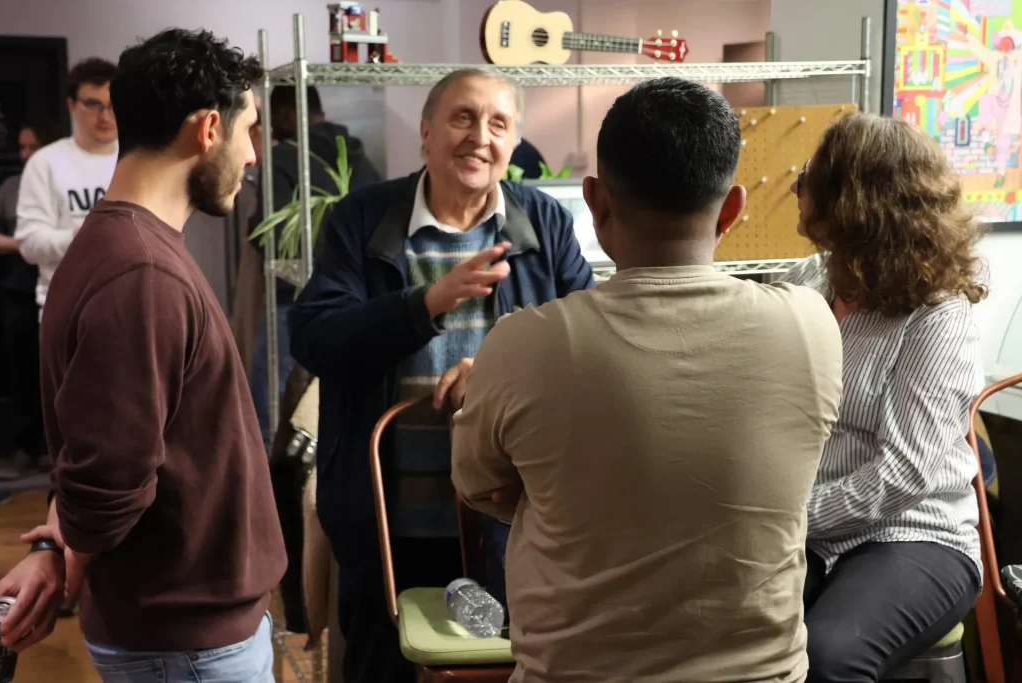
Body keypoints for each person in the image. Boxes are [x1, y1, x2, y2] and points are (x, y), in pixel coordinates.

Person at [451, 78, 844, 683]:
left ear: (596, 202)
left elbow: (481, 486)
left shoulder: (521, 345)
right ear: (733, 209)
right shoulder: (809, 325)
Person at [0, 28, 287, 682]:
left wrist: (54, 544)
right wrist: (64, 552)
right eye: (251, 131)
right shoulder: (140, 275)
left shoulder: (123, 246)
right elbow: (107, 480)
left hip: (183, 636)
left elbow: (97, 446)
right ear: (209, 129)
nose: (253, 156)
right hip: (189, 645)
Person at [288, 67, 594, 682]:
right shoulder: (363, 217)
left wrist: (499, 374)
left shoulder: (545, 226)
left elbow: (590, 351)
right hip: (385, 519)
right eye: (462, 118)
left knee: (499, 670)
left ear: (513, 145)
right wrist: (425, 304)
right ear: (426, 133)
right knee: (383, 666)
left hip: (511, 519)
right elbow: (316, 336)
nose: (480, 136)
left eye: (498, 123)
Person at [779, 113, 985, 680]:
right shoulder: (804, 283)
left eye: (808, 177)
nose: (796, 187)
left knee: (828, 656)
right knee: (724, 636)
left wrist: (790, 518)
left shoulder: (939, 315)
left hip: (917, 533)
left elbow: (903, 475)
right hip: (810, 536)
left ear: (853, 202)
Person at [247, 84, 381, 453]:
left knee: (266, 397)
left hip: (293, 298)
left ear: (289, 115)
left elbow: (267, 235)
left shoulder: (282, 158)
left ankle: (271, 487)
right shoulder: (357, 153)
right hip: (356, 296)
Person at [14, 58, 118, 318]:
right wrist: (79, 236)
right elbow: (28, 243)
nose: (104, 115)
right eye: (93, 104)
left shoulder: (139, 161)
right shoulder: (45, 163)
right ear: (72, 106)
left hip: (129, 305)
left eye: (112, 105)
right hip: (66, 310)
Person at [0, 120, 56, 475]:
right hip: (17, 289)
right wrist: (30, 241)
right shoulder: (9, 187)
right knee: (21, 369)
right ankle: (23, 446)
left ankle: (56, 447)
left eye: (33, 147)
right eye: (21, 147)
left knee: (56, 370)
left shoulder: (58, 181)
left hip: (58, 285)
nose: (26, 155)